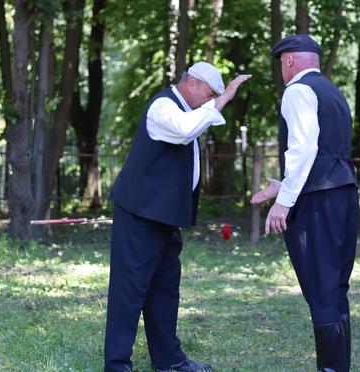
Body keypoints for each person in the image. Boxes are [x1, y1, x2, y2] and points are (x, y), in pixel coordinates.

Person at [105, 62, 251, 372]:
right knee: (129, 291)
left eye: (215, 96)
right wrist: (223, 100)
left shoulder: (185, 110)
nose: (211, 100)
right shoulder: (163, 107)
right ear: (193, 84)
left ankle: (169, 361)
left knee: (165, 290)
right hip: (140, 215)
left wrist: (216, 101)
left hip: (164, 216)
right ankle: (117, 364)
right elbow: (186, 130)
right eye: (209, 94)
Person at [251, 35, 358, 372]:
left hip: (318, 204)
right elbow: (327, 155)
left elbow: (304, 149)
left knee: (322, 288)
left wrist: (283, 202)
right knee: (337, 287)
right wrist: (283, 186)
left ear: (289, 61)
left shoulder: (297, 91)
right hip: (344, 194)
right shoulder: (334, 93)